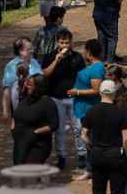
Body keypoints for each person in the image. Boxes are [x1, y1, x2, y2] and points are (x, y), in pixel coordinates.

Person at [42, 27, 86, 170]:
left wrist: (78, 91)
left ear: (71, 43)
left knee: (78, 128)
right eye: (62, 43)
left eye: (67, 43)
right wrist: (56, 60)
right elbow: (44, 74)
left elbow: (83, 77)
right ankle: (61, 156)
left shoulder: (77, 57)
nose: (64, 46)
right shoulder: (49, 56)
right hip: (56, 99)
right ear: (57, 43)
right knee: (59, 129)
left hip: (74, 99)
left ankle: (81, 154)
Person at [81, 79, 127, 194]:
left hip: (97, 153)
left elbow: (83, 134)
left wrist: (90, 145)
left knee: (98, 189)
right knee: (117, 189)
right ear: (114, 93)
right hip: (115, 154)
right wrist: (124, 151)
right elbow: (126, 138)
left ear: (100, 93)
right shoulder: (120, 112)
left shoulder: (91, 111)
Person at [70, 39, 106, 180]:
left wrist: (76, 92)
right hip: (85, 109)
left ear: (89, 52)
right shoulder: (94, 67)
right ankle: (91, 168)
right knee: (89, 140)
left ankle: (92, 169)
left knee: (91, 140)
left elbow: (96, 90)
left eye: (85, 50)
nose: (83, 53)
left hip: (90, 110)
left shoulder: (96, 68)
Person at [12, 73, 59, 164]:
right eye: (27, 83)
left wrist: (34, 132)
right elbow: (16, 114)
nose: (27, 86)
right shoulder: (25, 99)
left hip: (37, 145)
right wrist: (13, 128)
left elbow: (54, 125)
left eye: (30, 84)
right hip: (20, 143)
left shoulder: (47, 102)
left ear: (39, 86)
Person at [2, 37, 43, 131]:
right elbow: (6, 91)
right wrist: (5, 111)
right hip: (20, 108)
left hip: (36, 107)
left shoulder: (34, 62)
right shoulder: (11, 66)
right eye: (29, 49)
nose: (32, 51)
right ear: (21, 51)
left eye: (32, 48)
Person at [93, 0, 123, 64]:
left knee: (102, 37)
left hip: (98, 16)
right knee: (112, 37)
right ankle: (110, 60)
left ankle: (103, 57)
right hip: (110, 17)